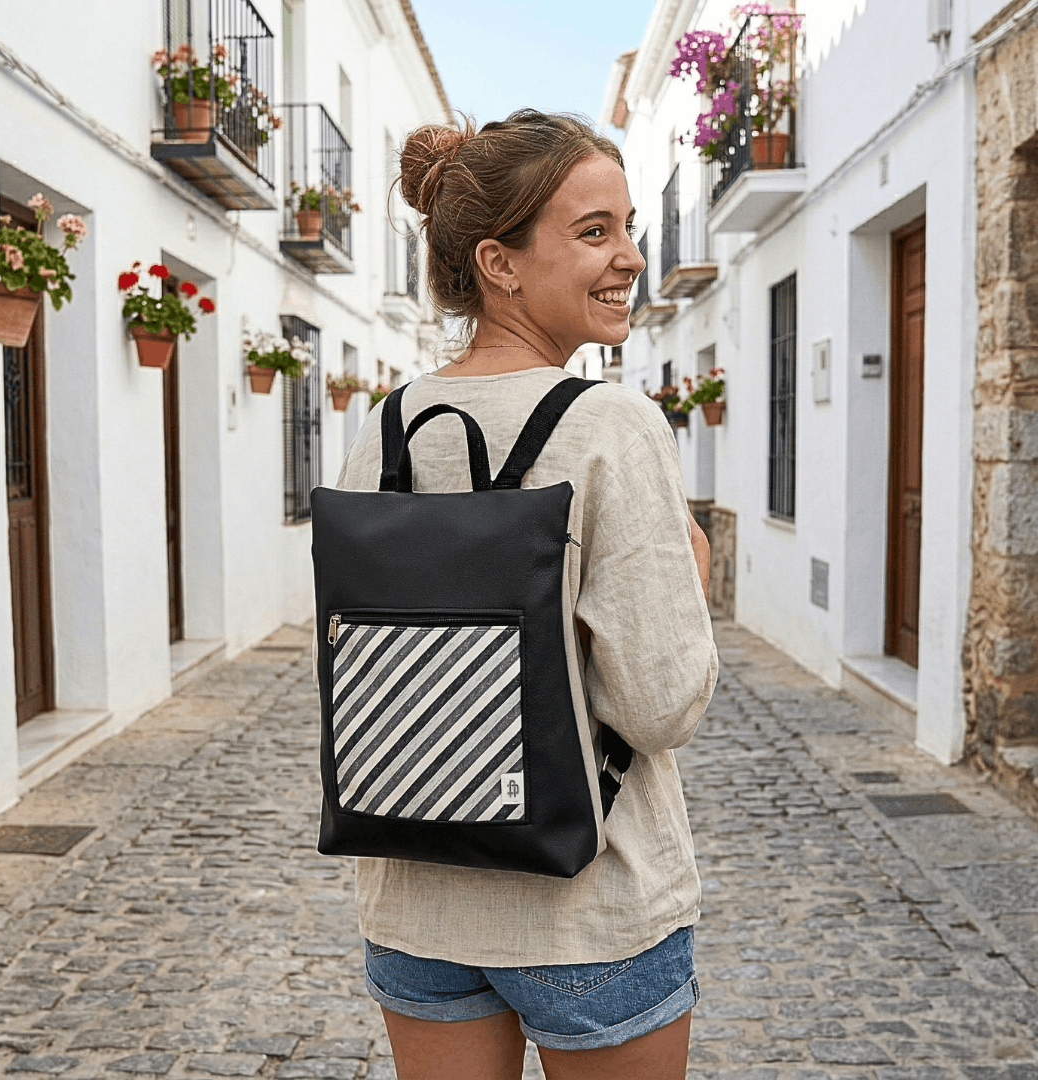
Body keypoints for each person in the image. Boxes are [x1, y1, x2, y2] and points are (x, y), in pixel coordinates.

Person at [326, 109, 717, 1080]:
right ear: (499, 263)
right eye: (594, 232)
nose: (629, 255)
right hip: (589, 913)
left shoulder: (386, 428)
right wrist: (694, 581)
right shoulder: (612, 427)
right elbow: (660, 706)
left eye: (629, 225)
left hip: (417, 901)